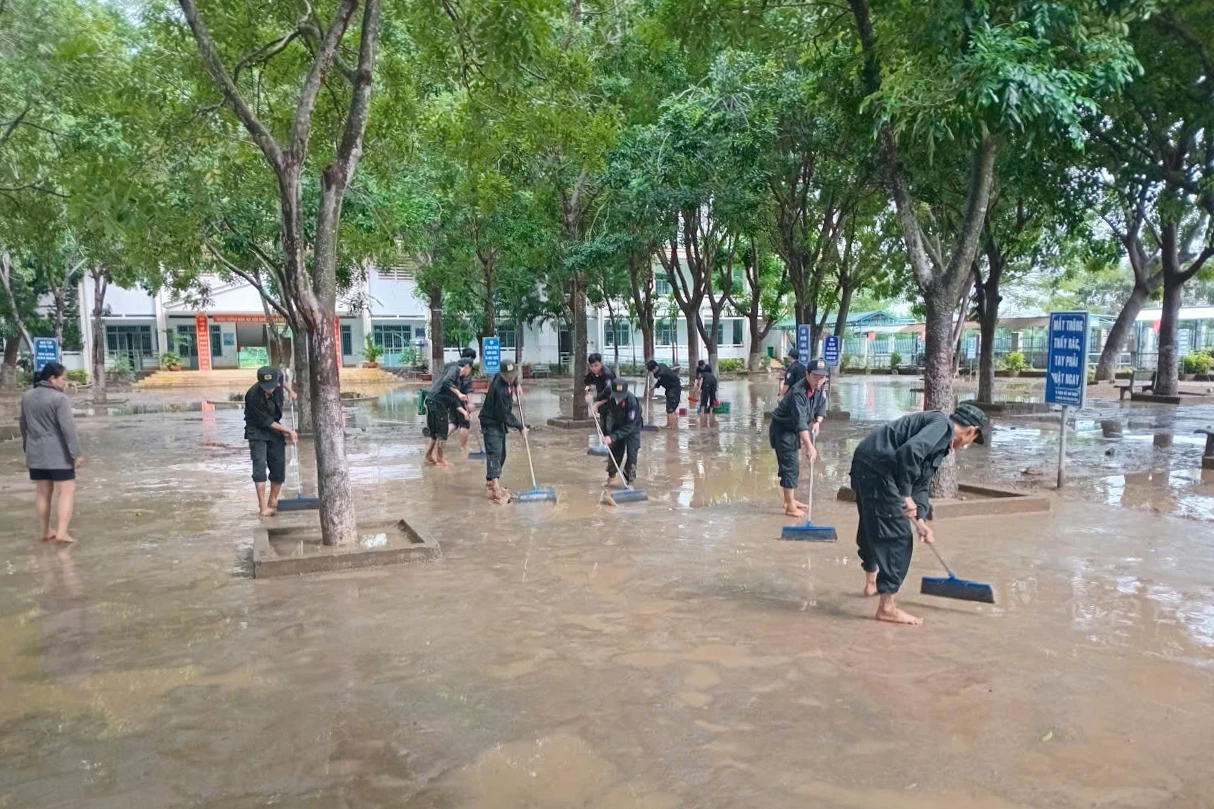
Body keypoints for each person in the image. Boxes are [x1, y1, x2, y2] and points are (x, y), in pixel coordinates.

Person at [849, 403, 989, 625]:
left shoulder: (938, 441)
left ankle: (871, 583)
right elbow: (909, 452)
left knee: (872, 523)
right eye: (972, 440)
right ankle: (887, 608)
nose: (967, 445)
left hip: (867, 463)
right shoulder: (942, 427)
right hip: (879, 468)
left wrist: (921, 521)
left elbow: (921, 484)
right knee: (898, 538)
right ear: (971, 430)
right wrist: (905, 495)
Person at [20, 362, 83, 543]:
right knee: (67, 490)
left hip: (36, 452)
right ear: (52, 379)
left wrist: (28, 449)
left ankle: (46, 531)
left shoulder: (27, 396)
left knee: (42, 492)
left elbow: (23, 426)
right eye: (63, 378)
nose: (65, 382)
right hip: (58, 453)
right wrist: (76, 454)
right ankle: (62, 532)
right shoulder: (59, 398)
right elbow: (68, 429)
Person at [243, 366, 298, 517]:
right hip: (257, 430)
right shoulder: (253, 395)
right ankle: (262, 507)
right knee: (260, 466)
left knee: (279, 465)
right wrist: (288, 431)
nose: (269, 390)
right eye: (266, 387)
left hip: (274, 429)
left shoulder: (277, 378)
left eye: (272, 386)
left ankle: (273, 501)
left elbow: (282, 378)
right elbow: (266, 421)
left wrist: (290, 391)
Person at [768, 362, 817, 517]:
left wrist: (818, 421)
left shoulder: (817, 387)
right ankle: (789, 506)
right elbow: (801, 421)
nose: (819, 380)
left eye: (822, 377)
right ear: (807, 374)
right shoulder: (798, 392)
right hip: (783, 430)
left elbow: (820, 406)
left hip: (792, 430)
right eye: (815, 376)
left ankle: (790, 500)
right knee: (790, 465)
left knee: (792, 465)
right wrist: (809, 446)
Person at [480, 362, 527, 504]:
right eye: (508, 377)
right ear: (502, 375)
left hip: (498, 421)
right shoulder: (500, 389)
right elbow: (505, 415)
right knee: (495, 453)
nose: (510, 378)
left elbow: (513, 378)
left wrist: (516, 384)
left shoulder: (501, 377)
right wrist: (520, 427)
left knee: (502, 454)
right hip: (491, 421)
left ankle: (490, 482)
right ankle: (495, 486)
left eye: (513, 376)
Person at [425, 357, 472, 467]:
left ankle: (428, 456)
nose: (469, 372)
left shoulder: (458, 379)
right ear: (467, 367)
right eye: (470, 369)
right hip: (438, 403)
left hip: (432, 401)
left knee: (434, 433)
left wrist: (464, 412)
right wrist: (459, 393)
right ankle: (440, 459)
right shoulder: (455, 369)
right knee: (442, 432)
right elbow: (446, 381)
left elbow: (454, 401)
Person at [601, 379, 642, 487]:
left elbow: (631, 426)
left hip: (632, 427)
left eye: (621, 395)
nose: (619, 397)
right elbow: (603, 408)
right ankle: (611, 477)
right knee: (615, 452)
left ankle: (630, 482)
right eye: (616, 395)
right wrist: (606, 434)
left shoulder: (632, 401)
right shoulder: (608, 393)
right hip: (617, 424)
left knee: (632, 454)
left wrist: (613, 437)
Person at [451, 348, 478, 455]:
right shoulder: (466, 371)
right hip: (462, 399)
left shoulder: (456, 367)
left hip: (452, 398)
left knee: (453, 423)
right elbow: (468, 388)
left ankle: (440, 439)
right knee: (465, 424)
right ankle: (464, 447)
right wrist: (470, 403)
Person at [645, 358, 682, 429]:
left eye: (652, 371)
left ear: (655, 367)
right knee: (671, 408)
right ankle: (671, 425)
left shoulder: (661, 374)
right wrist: (652, 388)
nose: (652, 373)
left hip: (674, 389)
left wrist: (652, 388)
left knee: (670, 409)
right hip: (671, 388)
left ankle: (671, 426)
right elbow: (659, 382)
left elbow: (660, 382)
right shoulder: (661, 365)